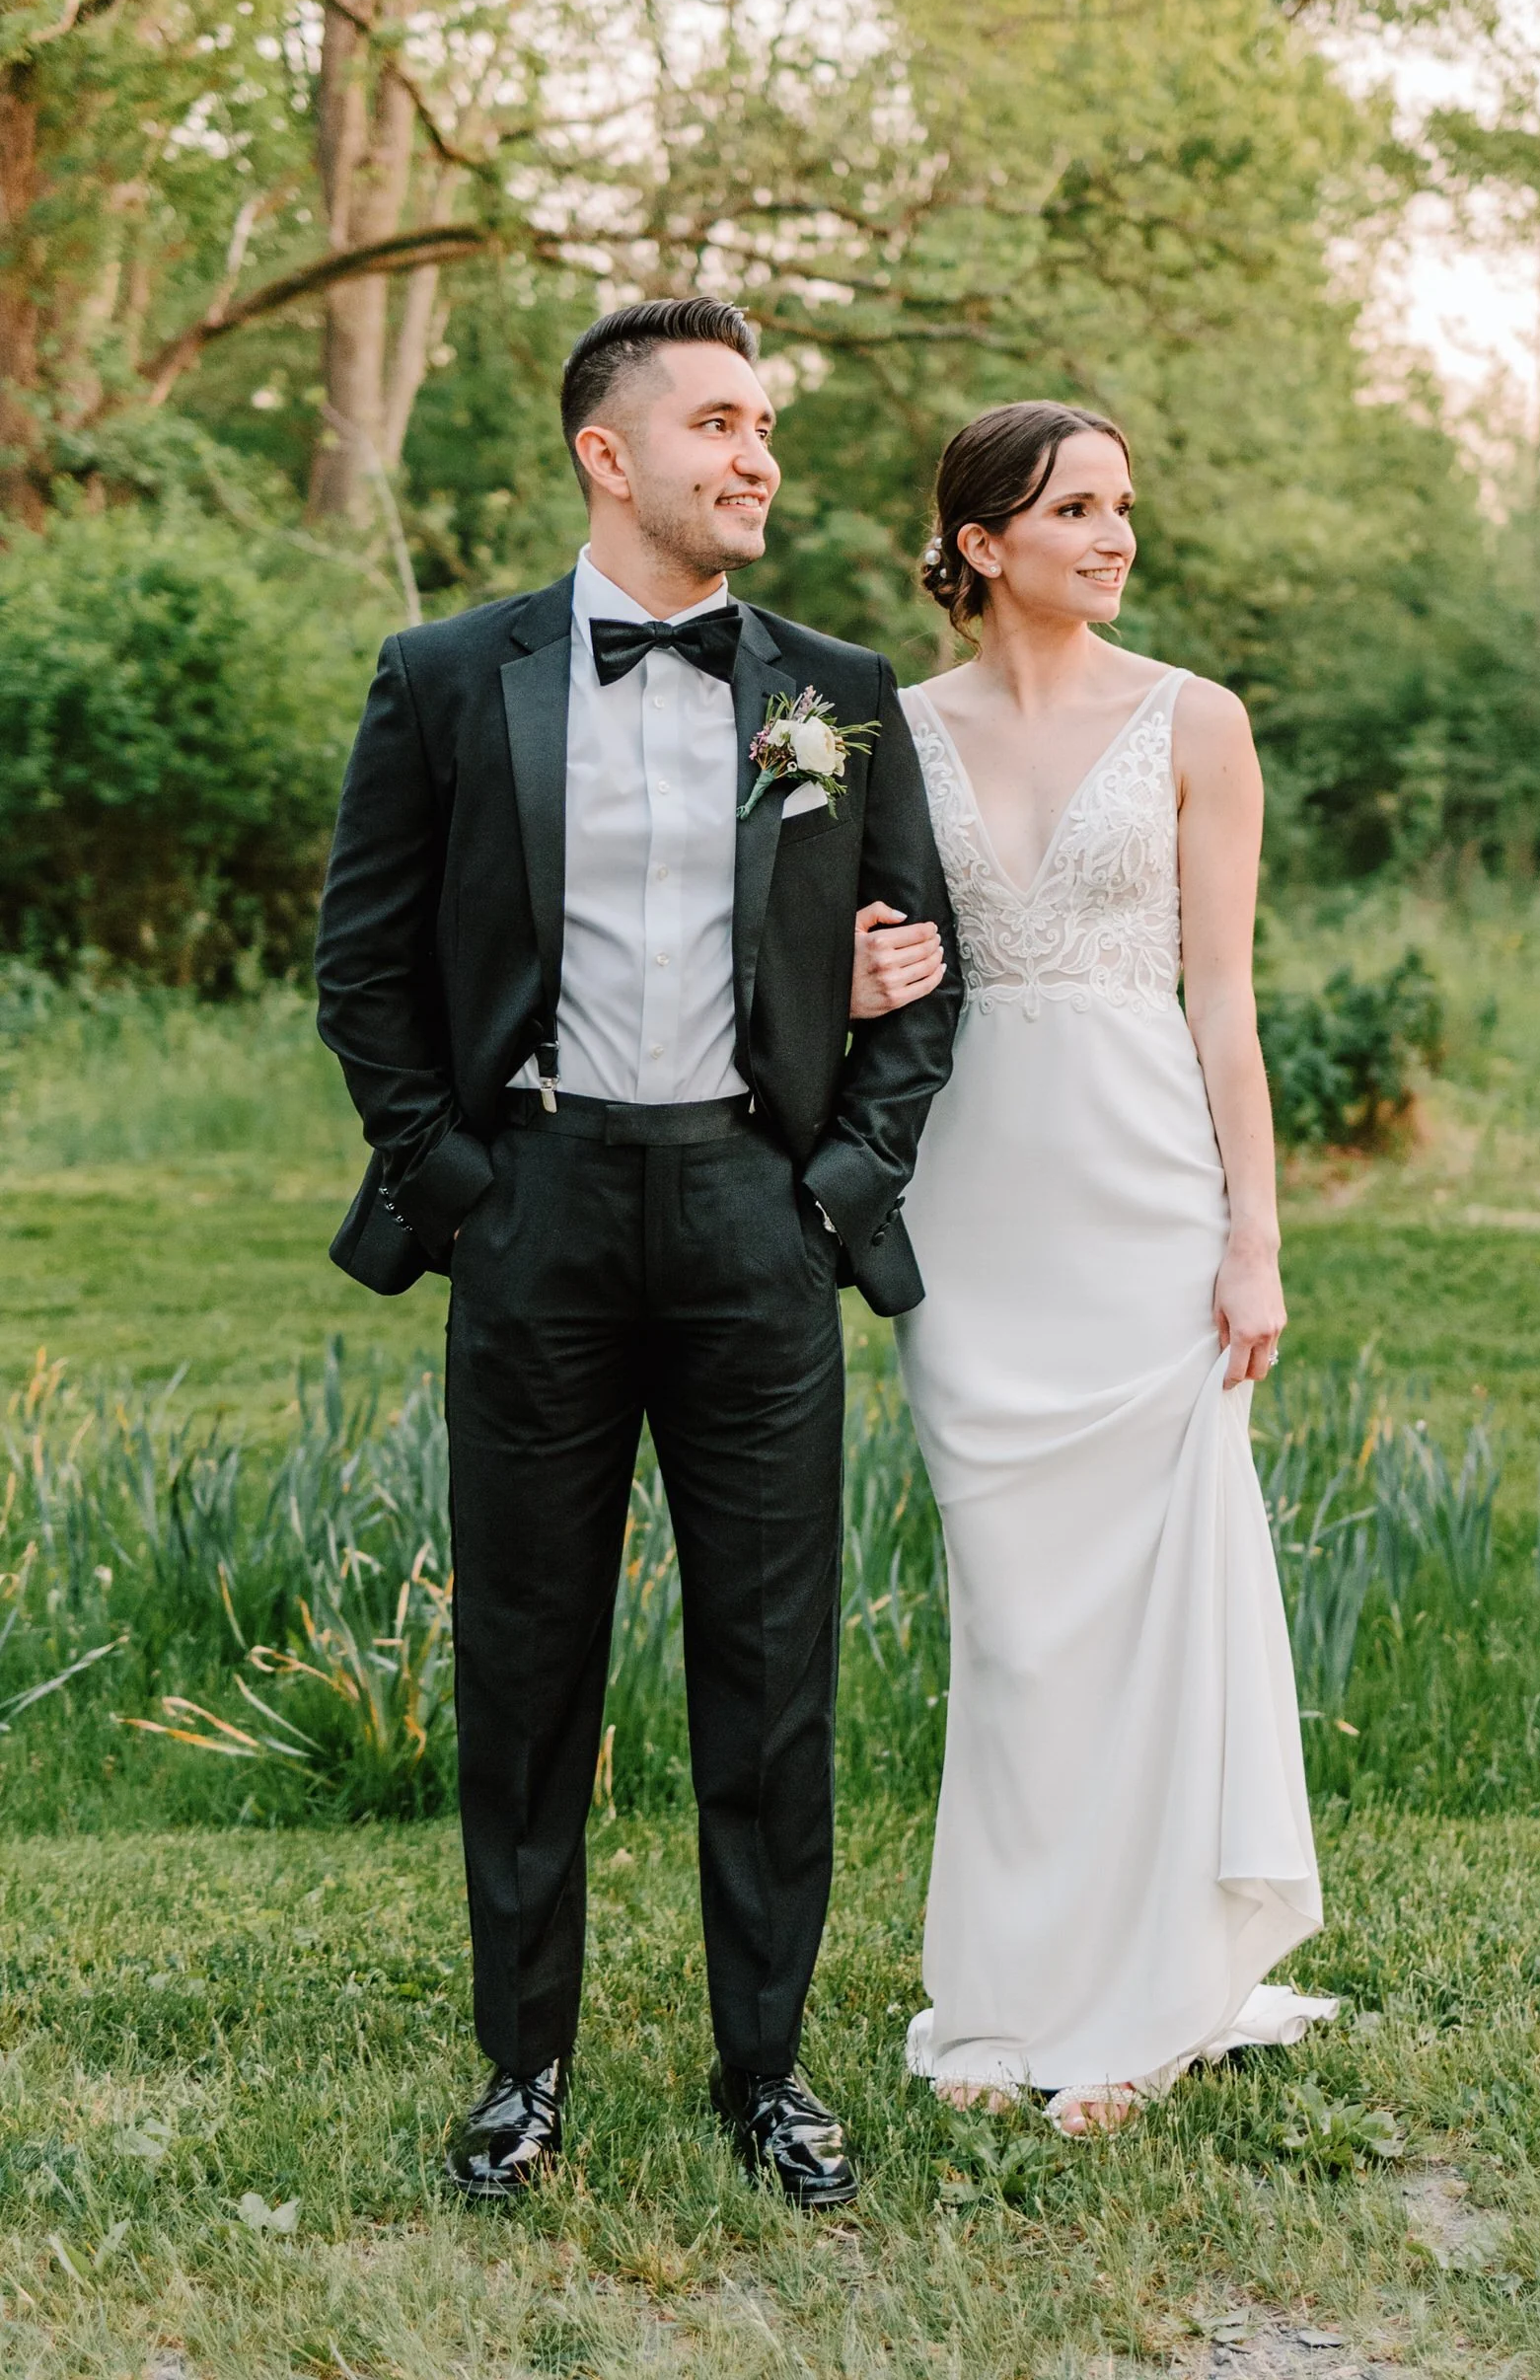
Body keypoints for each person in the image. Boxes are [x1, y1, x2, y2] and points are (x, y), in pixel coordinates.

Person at [315, 297, 960, 2204]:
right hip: (542, 1218)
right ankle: (524, 2072)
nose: (757, 457)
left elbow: (919, 973)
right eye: (720, 424)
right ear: (611, 455)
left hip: (760, 1222)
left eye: (765, 425)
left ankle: (767, 2073)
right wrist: (455, 1184)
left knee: (772, 1668)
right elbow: (362, 967)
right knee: (526, 1663)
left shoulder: (831, 689)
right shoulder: (447, 678)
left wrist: (840, 1185)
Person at [867, 401, 1335, 2134]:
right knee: (1013, 1620)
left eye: (1124, 505)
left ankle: (1144, 2003)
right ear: (982, 545)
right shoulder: (884, 734)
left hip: (1147, 1195)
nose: (1114, 534)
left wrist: (1253, 1235)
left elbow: (1228, 999)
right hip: (973, 1206)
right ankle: (1004, 1993)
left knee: (1149, 1602)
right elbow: (842, 961)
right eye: (1074, 509)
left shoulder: (1196, 720)